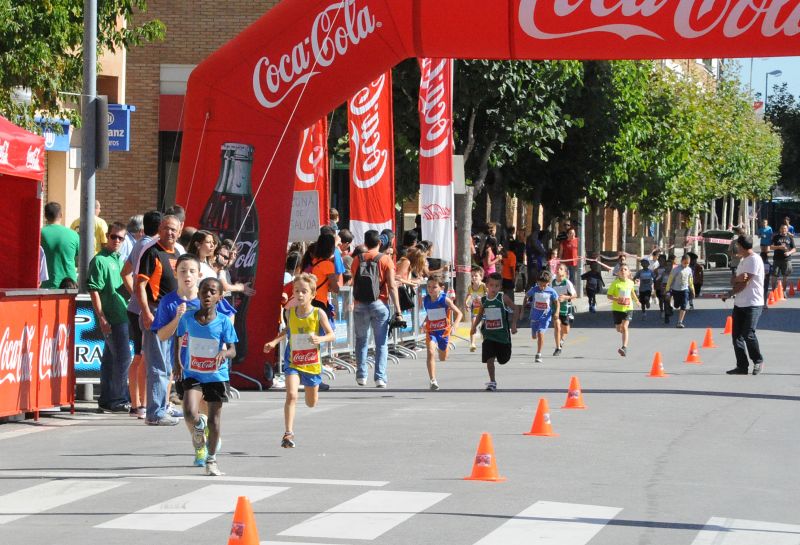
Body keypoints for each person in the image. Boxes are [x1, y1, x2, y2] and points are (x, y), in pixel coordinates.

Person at [263, 273, 335, 448]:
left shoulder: (319, 313)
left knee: (311, 402)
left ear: (312, 294)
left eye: (304, 291)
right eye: (297, 291)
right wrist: (273, 342)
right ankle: (288, 433)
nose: (300, 294)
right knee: (292, 395)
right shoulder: (290, 312)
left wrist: (321, 339)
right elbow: (288, 330)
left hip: (311, 363)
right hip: (293, 361)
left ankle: (312, 394)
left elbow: (331, 335)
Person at [175, 277, 238, 476]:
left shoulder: (223, 322)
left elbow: (233, 350)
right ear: (199, 293)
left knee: (214, 420)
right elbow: (178, 341)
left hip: (216, 376)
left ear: (219, 297)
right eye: (204, 291)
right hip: (193, 372)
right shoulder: (187, 318)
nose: (208, 295)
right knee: (188, 411)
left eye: (212, 292)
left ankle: (211, 460)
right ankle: (198, 427)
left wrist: (224, 353)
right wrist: (177, 364)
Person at [137, 215, 183, 425]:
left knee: (166, 364)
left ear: (179, 231)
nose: (169, 233)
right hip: (156, 313)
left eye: (173, 229)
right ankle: (154, 413)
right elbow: (140, 286)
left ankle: (162, 407)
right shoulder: (151, 252)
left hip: (171, 316)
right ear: (159, 230)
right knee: (156, 365)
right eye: (165, 229)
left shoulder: (176, 253)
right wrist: (146, 312)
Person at [121, 210, 162, 419]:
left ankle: (137, 403)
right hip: (143, 309)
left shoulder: (139, 244)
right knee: (143, 357)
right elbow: (128, 273)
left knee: (139, 356)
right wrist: (139, 294)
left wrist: (135, 293)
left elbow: (124, 272)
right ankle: (140, 404)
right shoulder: (150, 246)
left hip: (135, 306)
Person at [87, 222, 131, 413]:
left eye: (120, 238)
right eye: (113, 237)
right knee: (123, 358)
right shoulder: (99, 260)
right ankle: (118, 398)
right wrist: (102, 318)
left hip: (122, 313)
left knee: (110, 359)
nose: (116, 241)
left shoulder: (119, 259)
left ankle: (107, 398)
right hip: (112, 316)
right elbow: (94, 291)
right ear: (107, 236)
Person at [350, 230, 402, 388]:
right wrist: (398, 311)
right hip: (380, 303)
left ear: (365, 243)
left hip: (360, 304)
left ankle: (361, 375)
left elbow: (354, 281)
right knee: (381, 343)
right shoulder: (386, 259)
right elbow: (392, 286)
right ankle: (380, 377)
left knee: (361, 340)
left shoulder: (356, 260)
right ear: (380, 242)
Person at [470, 272, 517, 391]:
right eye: (491, 285)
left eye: (496, 286)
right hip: (489, 335)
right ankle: (492, 381)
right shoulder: (484, 300)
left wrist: (513, 324)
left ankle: (498, 354)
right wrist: (474, 326)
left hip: (502, 336)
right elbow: (480, 314)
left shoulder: (502, 298)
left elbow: (515, 308)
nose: (494, 288)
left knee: (503, 360)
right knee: (489, 358)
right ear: (487, 286)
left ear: (500, 287)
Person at [727, 235, 765, 375]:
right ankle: (742, 366)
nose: (736, 248)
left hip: (753, 303)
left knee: (748, 334)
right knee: (736, 336)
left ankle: (758, 361)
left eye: (737, 245)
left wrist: (730, 293)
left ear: (742, 246)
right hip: (740, 303)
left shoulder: (754, 260)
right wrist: (735, 280)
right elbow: (735, 280)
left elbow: (744, 283)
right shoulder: (743, 260)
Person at [421, 274, 463, 391]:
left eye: (434, 287)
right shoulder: (426, 300)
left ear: (441, 288)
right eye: (428, 287)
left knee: (443, 357)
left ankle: (444, 347)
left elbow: (459, 313)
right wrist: (424, 323)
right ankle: (433, 380)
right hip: (431, 332)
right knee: (430, 351)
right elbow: (429, 314)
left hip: (443, 332)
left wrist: (455, 325)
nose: (430, 289)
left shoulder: (445, 300)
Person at [40, 202, 79, 289]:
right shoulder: (73, 234)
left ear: (45, 216)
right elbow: (79, 256)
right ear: (61, 215)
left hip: (47, 285)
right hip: (70, 286)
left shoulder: (39, 234)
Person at [526, 269, 559, 364]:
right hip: (534, 316)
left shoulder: (551, 291)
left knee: (540, 333)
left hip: (545, 316)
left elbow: (557, 302)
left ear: (548, 283)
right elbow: (526, 296)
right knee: (534, 336)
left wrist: (556, 312)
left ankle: (538, 354)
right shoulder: (534, 289)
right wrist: (522, 310)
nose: (542, 287)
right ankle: (533, 331)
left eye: (544, 285)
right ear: (537, 282)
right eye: (540, 285)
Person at [607, 263, 639, 357]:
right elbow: (609, 295)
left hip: (628, 308)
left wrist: (637, 301)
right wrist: (617, 299)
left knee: (625, 327)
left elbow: (632, 292)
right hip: (617, 309)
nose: (623, 271)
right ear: (618, 273)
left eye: (625, 269)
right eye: (621, 270)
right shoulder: (615, 283)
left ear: (629, 273)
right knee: (618, 329)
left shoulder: (630, 282)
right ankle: (625, 334)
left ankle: (624, 347)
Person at [551, 264, 576, 356]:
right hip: (555, 309)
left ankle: (562, 340)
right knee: (557, 326)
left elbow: (575, 295)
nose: (558, 270)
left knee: (565, 330)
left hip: (565, 309)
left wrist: (566, 297)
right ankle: (558, 348)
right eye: (557, 268)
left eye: (561, 269)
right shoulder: (552, 282)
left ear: (565, 272)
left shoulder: (567, 283)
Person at [666, 254, 694, 328]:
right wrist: (667, 289)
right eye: (685, 263)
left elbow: (690, 280)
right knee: (676, 305)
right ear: (681, 261)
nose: (686, 265)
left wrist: (692, 290)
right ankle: (672, 306)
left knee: (684, 306)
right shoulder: (676, 269)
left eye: (688, 263)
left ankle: (680, 322)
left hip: (685, 290)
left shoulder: (689, 269)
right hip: (676, 290)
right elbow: (670, 279)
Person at [769, 223, 795, 294]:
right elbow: (771, 247)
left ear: (787, 230)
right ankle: (774, 291)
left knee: (785, 276)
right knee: (774, 276)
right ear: (780, 229)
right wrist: (779, 247)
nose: (784, 230)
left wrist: (789, 253)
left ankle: (783, 292)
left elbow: (794, 249)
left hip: (787, 260)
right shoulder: (776, 237)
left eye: (785, 229)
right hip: (777, 259)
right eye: (782, 228)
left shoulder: (790, 238)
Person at [466, 266, 486, 352]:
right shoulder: (470, 287)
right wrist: (466, 303)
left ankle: (486, 342)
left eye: (476, 276)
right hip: (475, 309)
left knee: (483, 327)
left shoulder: (483, 286)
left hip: (484, 309)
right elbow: (469, 295)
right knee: (473, 325)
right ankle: (472, 344)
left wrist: (482, 298)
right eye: (472, 276)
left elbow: (488, 294)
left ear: (481, 277)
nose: (473, 278)